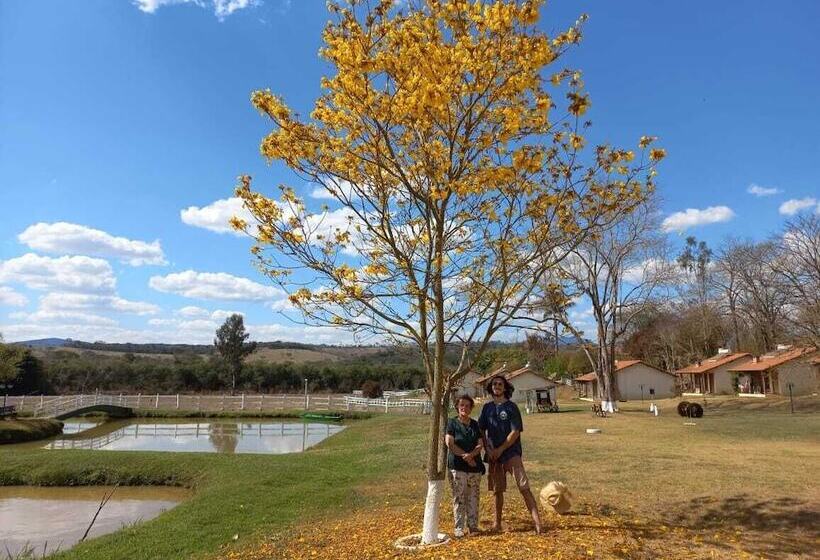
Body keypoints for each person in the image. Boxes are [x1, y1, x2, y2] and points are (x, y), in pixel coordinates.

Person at [478, 375, 543, 534]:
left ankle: (538, 524)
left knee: (524, 487)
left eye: (500, 384)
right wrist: (488, 449)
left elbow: (515, 432)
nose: (497, 386)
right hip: (494, 457)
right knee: (497, 491)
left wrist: (501, 449)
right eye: (494, 384)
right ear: (491, 387)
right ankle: (497, 524)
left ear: (505, 387)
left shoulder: (511, 407)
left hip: (512, 454)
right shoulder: (487, 408)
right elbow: (481, 430)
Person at [445, 394, 485, 538]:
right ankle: (459, 527)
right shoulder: (452, 423)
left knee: (473, 497)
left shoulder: (475, 424)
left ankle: (473, 526)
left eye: (468, 406)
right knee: (459, 497)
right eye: (462, 405)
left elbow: (480, 444)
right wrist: (466, 457)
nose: (464, 408)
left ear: (471, 408)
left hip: (474, 467)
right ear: (457, 406)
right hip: (457, 467)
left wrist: (472, 455)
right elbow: (450, 443)